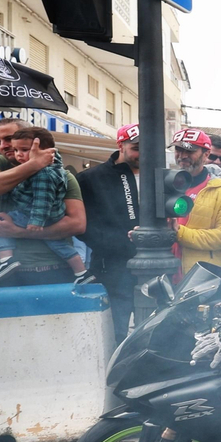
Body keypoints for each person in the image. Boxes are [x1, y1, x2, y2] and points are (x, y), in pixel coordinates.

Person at [0, 120, 86, 287]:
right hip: (0, 269)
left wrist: (18, 232)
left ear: (35, 141)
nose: (3, 145)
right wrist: (34, 164)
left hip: (52, 268)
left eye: (9, 138)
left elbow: (77, 224)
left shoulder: (59, 175)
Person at [77, 124, 143, 340]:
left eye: (148, 148)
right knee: (115, 332)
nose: (142, 154)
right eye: (136, 147)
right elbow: (80, 224)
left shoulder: (160, 176)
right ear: (120, 145)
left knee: (151, 330)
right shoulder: (90, 178)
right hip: (111, 267)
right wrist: (111, 244)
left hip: (154, 264)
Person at [170, 128, 221, 274]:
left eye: (189, 151)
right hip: (165, 272)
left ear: (206, 154)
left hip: (202, 278)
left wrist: (178, 232)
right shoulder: (165, 185)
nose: (182, 156)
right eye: (178, 150)